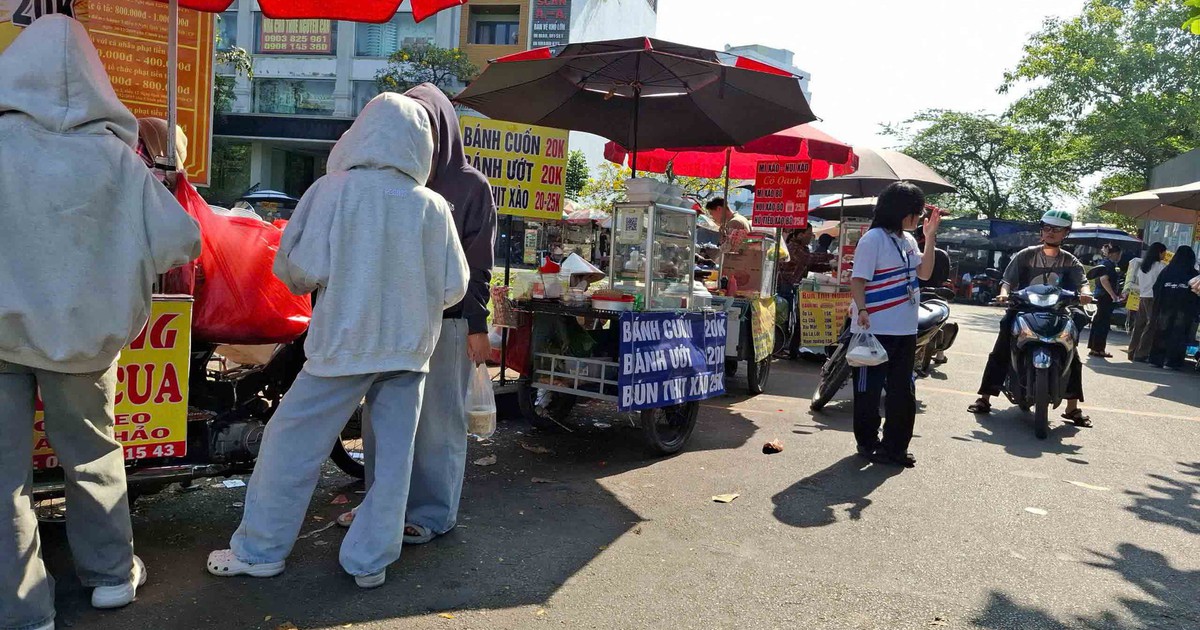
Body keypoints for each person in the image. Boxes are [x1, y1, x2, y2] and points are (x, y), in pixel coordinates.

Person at [205, 92, 469, 589]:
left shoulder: (332, 190)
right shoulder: (433, 206)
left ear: (361, 133)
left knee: (290, 445)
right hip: (409, 350)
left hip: (342, 345)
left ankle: (261, 550)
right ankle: (371, 561)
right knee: (392, 460)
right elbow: (454, 286)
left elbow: (298, 272)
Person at [0, 16, 201, 629]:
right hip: (88, 345)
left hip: (2, 336)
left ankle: (22, 608)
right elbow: (184, 240)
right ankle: (112, 576)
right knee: (92, 457)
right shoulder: (118, 161)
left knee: (5, 477)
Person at [334, 83, 498, 545]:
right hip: (389, 319)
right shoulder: (385, 179)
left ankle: (430, 512)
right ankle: (379, 507)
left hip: (447, 323)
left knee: (437, 423)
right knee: (381, 418)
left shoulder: (469, 186)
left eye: (426, 121)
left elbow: (477, 263)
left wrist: (476, 326)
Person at [967, 209, 1094, 427]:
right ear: (1041, 230)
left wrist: (1086, 293)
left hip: (1057, 313)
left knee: (1072, 354)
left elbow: (1082, 282)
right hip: (1022, 310)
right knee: (1001, 348)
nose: (1051, 232)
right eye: (1047, 228)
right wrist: (1004, 293)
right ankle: (984, 398)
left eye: (1057, 229)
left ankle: (1072, 408)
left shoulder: (1070, 260)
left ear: (1066, 232)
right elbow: (1007, 280)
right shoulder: (1025, 255)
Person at [849, 182, 941, 468]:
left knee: (903, 391)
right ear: (902, 212)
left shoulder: (909, 241)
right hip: (874, 328)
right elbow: (858, 280)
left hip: (905, 329)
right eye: (916, 213)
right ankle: (867, 442)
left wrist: (930, 237)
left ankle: (895, 448)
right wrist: (862, 309)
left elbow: (924, 273)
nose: (918, 218)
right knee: (868, 392)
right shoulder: (873, 239)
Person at [1147, 246, 1200, 370]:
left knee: (1161, 332)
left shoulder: (1167, 271)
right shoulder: (1193, 274)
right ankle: (1172, 361)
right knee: (1179, 335)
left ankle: (1156, 359)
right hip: (1184, 310)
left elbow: (1156, 288)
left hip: (1165, 307)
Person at [1125, 242, 1168, 362]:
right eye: (1164, 252)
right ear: (1159, 252)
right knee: (1151, 326)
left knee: (1139, 325)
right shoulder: (1161, 267)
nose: (1165, 255)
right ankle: (1141, 353)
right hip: (1153, 298)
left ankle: (1132, 351)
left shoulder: (1143, 267)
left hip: (1143, 296)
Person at [1087, 243, 1123, 358]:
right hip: (1105, 297)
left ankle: (1094, 348)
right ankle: (1099, 349)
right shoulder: (1108, 265)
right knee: (1103, 323)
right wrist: (1113, 295)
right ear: (1114, 254)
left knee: (1098, 321)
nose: (1119, 257)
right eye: (1118, 254)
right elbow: (1104, 279)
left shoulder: (1104, 263)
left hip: (1101, 295)